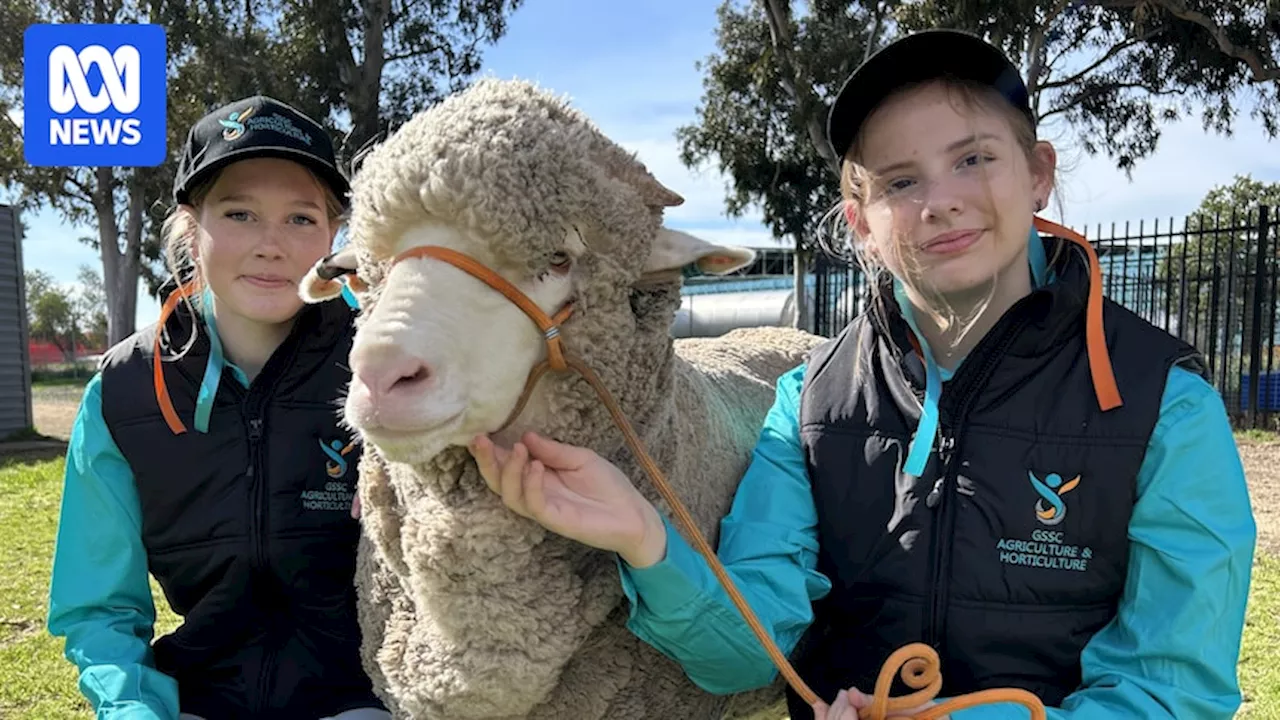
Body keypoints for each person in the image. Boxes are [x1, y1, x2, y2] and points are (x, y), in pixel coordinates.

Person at [467, 29, 1257, 720]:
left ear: (1038, 173)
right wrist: (647, 541)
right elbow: (748, 655)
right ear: (861, 222)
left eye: (973, 159)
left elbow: (1173, 693)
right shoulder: (809, 401)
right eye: (900, 181)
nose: (940, 202)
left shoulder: (1165, 404)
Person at [46, 95, 389, 719]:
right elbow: (101, 610)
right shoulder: (124, 391)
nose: (271, 245)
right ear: (190, 223)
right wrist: (135, 712)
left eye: (301, 219)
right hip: (198, 699)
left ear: (335, 235)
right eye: (239, 213)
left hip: (360, 698)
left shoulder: (388, 365)